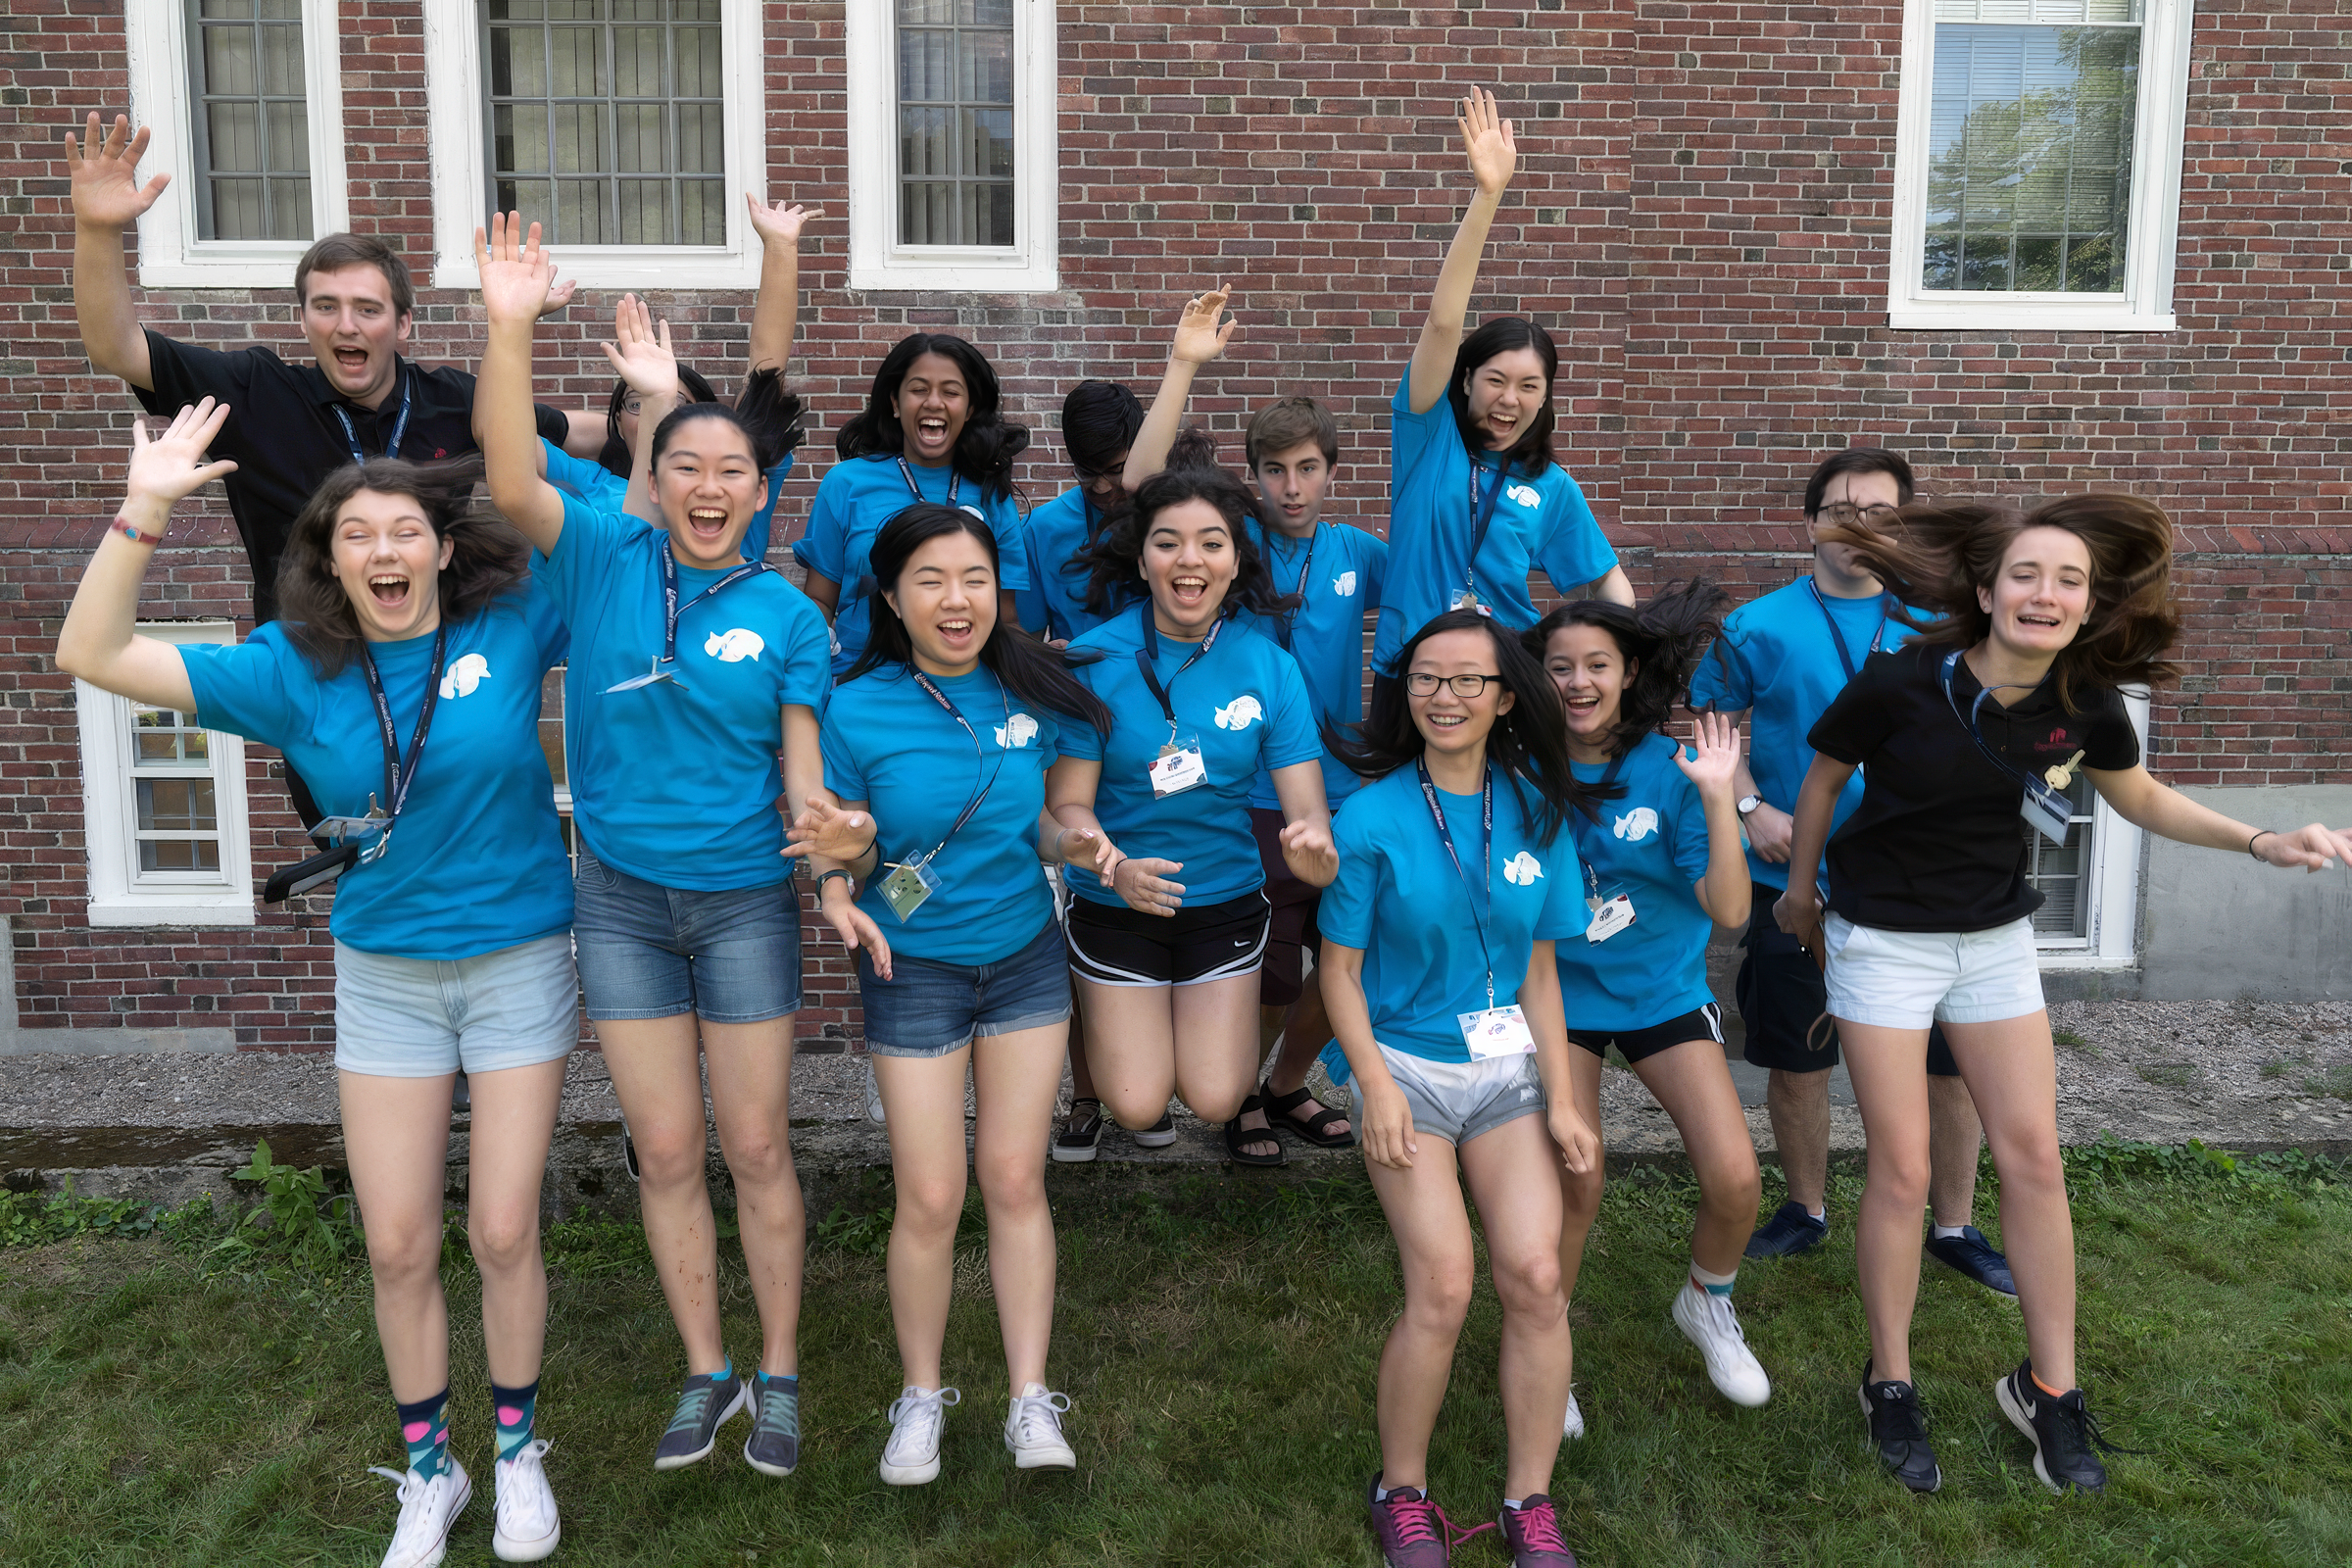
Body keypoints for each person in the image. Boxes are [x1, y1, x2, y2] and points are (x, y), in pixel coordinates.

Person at [59, 403, 576, 1567]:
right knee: (396, 1244)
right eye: (357, 536)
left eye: (405, 531)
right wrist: (144, 506)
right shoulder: (293, 669)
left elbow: (615, 535)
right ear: (329, 557)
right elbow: (90, 654)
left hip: (516, 961)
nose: (384, 553)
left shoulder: (516, 614)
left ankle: (517, 1449)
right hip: (386, 976)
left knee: (501, 1230)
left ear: (442, 548)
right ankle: (430, 1473)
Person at [1780, 494, 2352, 1495]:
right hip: (1884, 943)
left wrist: (2264, 840)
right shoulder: (1900, 681)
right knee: (1904, 1172)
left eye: (2071, 580)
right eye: (2029, 574)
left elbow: (2140, 799)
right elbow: (1824, 779)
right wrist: (1799, 894)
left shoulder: (2086, 701)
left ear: (2088, 607)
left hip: (1995, 943)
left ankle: (2050, 1391)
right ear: (1987, 589)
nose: (2047, 593)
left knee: (2036, 1157)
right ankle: (1892, 1381)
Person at [475, 215, 832, 1481]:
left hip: (742, 905)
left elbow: (802, 768)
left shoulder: (787, 612)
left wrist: (826, 837)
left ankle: (778, 1368)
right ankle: (706, 1367)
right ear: (654, 474)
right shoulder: (605, 553)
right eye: (688, 465)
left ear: (756, 486)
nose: (711, 486)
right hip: (618, 901)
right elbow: (511, 475)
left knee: (753, 1147)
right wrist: (510, 321)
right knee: (666, 1151)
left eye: (734, 469)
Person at [795, 504, 1116, 1486]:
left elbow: (1055, 820)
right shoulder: (855, 708)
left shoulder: (1040, 690)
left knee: (1016, 1181)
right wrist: (840, 883)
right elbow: (839, 838)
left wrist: (1083, 842)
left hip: (1023, 958)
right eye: (930, 579)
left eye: (974, 577)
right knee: (931, 1195)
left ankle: (1029, 1398)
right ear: (891, 597)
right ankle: (921, 1396)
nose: (956, 599)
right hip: (915, 971)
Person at [64, 112, 600, 626]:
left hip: (424, 666)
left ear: (403, 324)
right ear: (303, 320)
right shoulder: (256, 392)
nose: (347, 326)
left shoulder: (454, 400)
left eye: (368, 309)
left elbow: (571, 433)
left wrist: (664, 413)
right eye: (326, 307)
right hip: (302, 676)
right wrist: (97, 230)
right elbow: (118, 349)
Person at [1689, 448, 2012, 1293]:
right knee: (1799, 1060)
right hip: (1797, 882)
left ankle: (1953, 1222)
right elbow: (1709, 720)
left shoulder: (1938, 624)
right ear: (1811, 523)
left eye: (1879, 511)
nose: (1859, 526)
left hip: (1923, 889)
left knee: (1950, 1064)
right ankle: (1805, 1209)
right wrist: (1752, 806)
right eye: (1841, 509)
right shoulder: (1758, 624)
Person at [1321, 608, 1598, 1568]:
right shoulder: (1370, 816)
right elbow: (1339, 973)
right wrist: (1374, 1088)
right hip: (1404, 1067)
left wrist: (1562, 1098)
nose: (1444, 696)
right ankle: (1403, 1489)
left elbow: (1541, 973)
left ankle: (1531, 1502)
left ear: (1505, 697)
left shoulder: (1538, 808)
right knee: (1442, 1285)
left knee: (1534, 1277)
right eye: (1426, 679)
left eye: (1467, 680)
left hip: (1506, 1071)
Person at [1118, 294, 1383, 1161]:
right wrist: (1183, 365)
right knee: (1272, 963)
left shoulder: (1360, 554)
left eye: (1307, 467)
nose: (1291, 487)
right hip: (1247, 795)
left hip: (1340, 792)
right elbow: (1142, 486)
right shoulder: (1233, 546)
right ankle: (1242, 1095)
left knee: (1345, 952)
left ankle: (1281, 1083)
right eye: (1273, 470)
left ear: (1332, 471)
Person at [1047, 452, 1339, 1162]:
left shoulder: (1271, 667)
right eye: (1168, 542)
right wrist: (1113, 867)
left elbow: (1307, 810)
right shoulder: (1091, 659)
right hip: (1116, 903)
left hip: (1226, 903)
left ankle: (1181, 1030)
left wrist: (1313, 847)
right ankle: (1113, 1052)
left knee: (1212, 1097)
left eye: (1212, 543)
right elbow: (1067, 805)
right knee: (1139, 1102)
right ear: (1141, 558)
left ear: (1237, 561)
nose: (1190, 560)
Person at [1530, 586, 1771, 1439]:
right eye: (1559, 668)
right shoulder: (1520, 767)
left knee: (1737, 1178)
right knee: (1577, 1174)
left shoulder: (1670, 779)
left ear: (1629, 674)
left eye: (1597, 664)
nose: (1578, 682)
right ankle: (1543, 1345)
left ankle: (1706, 1302)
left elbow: (1732, 912)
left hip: (1663, 994)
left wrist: (1716, 796)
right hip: (1558, 999)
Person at [1375, 91, 1632, 713]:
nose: (1508, 400)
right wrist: (1487, 196)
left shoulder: (1551, 485)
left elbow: (1607, 583)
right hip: (1412, 675)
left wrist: (1606, 656)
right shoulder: (1427, 436)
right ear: (1465, 380)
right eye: (1495, 379)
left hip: (1503, 686)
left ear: (1545, 400)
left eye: (1529, 387)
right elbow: (1442, 324)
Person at [540, 196, 819, 568]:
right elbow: (504, 441)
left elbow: (766, 371)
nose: (660, 412)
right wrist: (513, 321)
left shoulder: (732, 485)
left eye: (678, 405)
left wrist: (781, 246)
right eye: (636, 403)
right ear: (618, 422)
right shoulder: (590, 482)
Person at [796, 332, 1035, 676]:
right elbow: (820, 601)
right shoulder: (845, 484)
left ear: (968, 409)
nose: (933, 403)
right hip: (859, 677)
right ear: (895, 403)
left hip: (962, 685)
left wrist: (1044, 665)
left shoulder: (990, 494)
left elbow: (1006, 618)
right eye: (919, 389)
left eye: (951, 392)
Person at [1017, 379, 1146, 643]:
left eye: (1115, 470)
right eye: (1085, 472)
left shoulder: (1171, 518)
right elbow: (1028, 643)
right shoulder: (1040, 530)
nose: (1100, 487)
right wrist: (1045, 658)